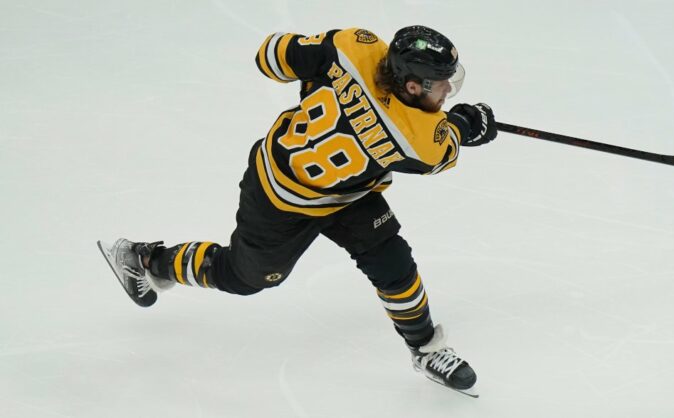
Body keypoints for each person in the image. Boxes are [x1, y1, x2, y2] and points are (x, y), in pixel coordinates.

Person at [97, 25, 497, 397]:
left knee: (394, 262)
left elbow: (270, 56)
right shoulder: (419, 142)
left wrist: (324, 70)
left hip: (346, 194)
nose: (448, 90)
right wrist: (468, 123)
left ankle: (426, 350)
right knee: (243, 277)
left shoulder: (355, 47)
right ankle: (148, 260)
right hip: (280, 197)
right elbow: (445, 141)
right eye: (443, 84)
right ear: (412, 85)